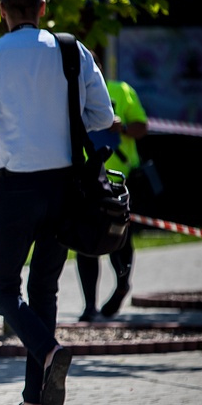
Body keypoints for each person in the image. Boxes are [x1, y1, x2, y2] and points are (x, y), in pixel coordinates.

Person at [0, 0, 114, 405]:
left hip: (17, 186)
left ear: (2, 10)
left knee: (4, 290)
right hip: (65, 186)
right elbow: (103, 116)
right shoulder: (72, 50)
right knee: (44, 288)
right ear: (43, 8)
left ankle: (49, 350)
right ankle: (35, 397)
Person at [76, 53, 149, 322]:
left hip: (120, 179)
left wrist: (122, 127)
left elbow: (142, 127)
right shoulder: (70, 96)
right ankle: (89, 306)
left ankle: (121, 286)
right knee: (84, 241)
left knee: (120, 238)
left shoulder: (120, 90)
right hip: (85, 178)